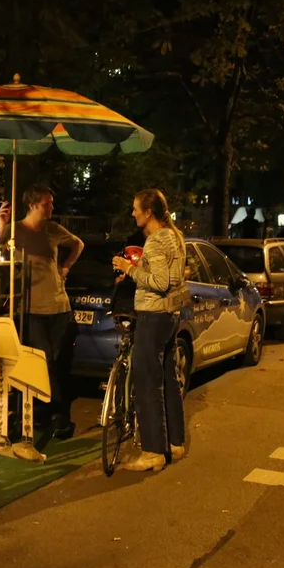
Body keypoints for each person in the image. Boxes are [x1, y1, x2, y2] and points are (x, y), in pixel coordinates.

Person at [0, 184, 84, 436]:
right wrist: (1, 224)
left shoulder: (53, 229)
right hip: (30, 307)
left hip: (58, 305)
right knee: (43, 362)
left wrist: (65, 268)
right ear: (32, 205)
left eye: (51, 202)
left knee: (58, 362)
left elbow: (78, 244)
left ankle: (54, 413)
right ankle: (52, 413)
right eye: (46, 203)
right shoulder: (14, 230)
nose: (51, 206)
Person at [112, 189, 190, 472]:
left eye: (136, 209)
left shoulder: (157, 240)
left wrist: (129, 270)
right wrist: (137, 268)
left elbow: (158, 282)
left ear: (149, 213)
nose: (133, 214)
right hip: (170, 316)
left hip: (153, 315)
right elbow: (168, 277)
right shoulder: (175, 237)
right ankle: (175, 443)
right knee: (169, 380)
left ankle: (153, 451)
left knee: (147, 383)